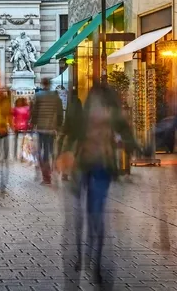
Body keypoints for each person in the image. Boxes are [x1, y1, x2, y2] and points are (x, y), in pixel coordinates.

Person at [61, 81, 136, 284]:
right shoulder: (97, 115)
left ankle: (90, 258)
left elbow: (128, 136)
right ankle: (88, 256)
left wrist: (129, 144)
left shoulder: (105, 115)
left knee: (91, 214)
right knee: (89, 214)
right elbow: (71, 135)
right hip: (87, 165)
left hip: (96, 166)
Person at [31, 77, 64, 184]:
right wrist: (59, 126)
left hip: (41, 127)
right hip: (51, 127)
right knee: (50, 149)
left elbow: (34, 112)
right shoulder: (56, 97)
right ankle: (53, 168)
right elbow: (60, 113)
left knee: (42, 151)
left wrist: (33, 123)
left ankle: (46, 176)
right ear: (49, 84)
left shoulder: (38, 96)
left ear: (42, 84)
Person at [12, 96, 31, 164]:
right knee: (24, 143)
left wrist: (13, 125)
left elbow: (12, 116)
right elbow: (29, 117)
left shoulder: (15, 109)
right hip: (25, 127)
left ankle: (15, 155)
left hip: (17, 127)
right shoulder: (27, 108)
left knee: (16, 142)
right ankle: (23, 156)